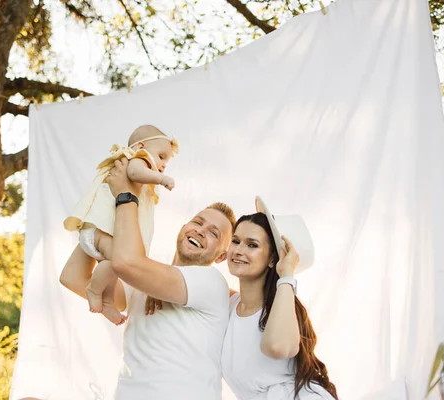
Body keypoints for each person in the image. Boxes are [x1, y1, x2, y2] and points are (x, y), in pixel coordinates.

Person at [61, 156, 236, 400]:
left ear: (221, 256)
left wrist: (126, 194)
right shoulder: (141, 279)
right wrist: (105, 208)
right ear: (184, 226)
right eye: (198, 222)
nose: (200, 230)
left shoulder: (212, 284)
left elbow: (127, 262)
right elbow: (73, 277)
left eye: (213, 233)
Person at [61, 124, 178, 325]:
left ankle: (107, 301)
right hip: (98, 232)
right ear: (141, 146)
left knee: (116, 265)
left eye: (165, 161)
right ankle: (94, 290)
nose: (163, 164)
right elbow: (133, 173)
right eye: (161, 156)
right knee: (119, 262)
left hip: (98, 234)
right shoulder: (138, 159)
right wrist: (161, 178)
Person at [222, 210, 338, 399]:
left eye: (252, 245)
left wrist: (286, 275)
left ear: (272, 260)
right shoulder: (229, 304)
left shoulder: (280, 311)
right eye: (235, 241)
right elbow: (189, 288)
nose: (238, 250)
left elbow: (277, 347)